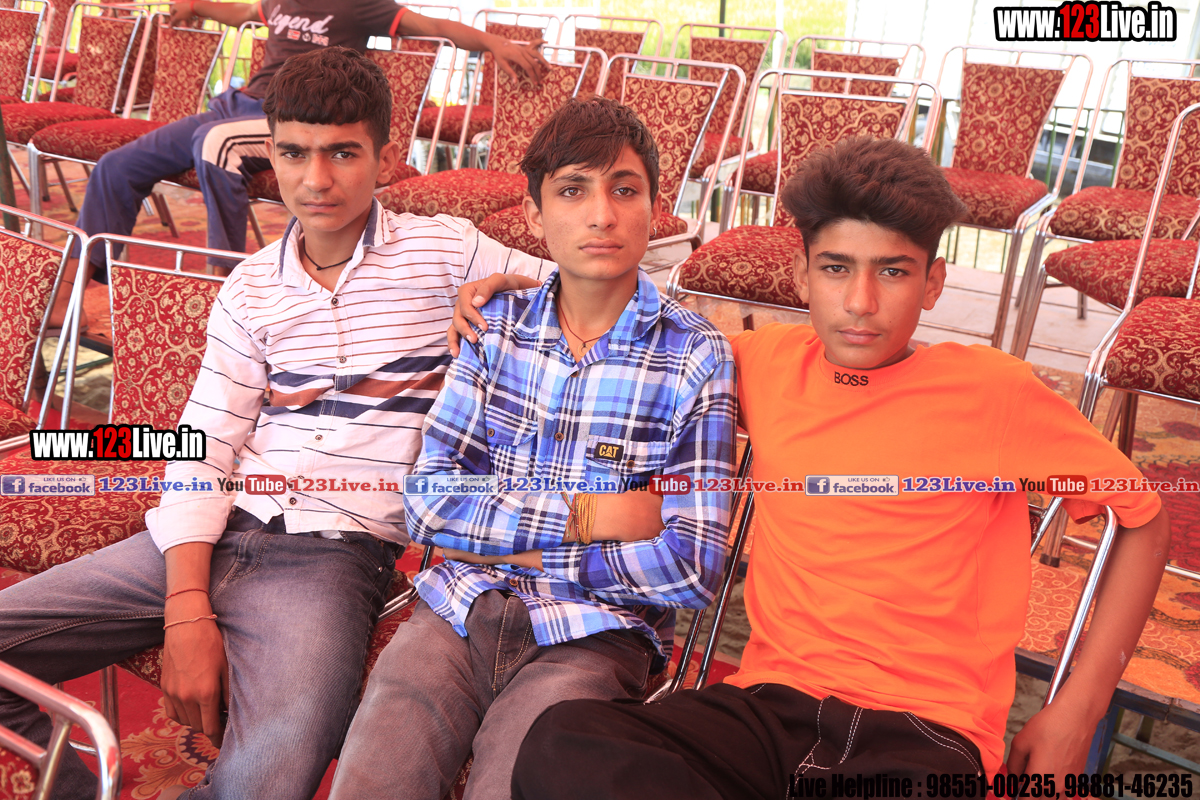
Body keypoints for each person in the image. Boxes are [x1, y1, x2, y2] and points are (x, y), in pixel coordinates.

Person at [500, 135, 1173, 796]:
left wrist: (1079, 708)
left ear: (934, 282)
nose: (860, 303)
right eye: (836, 268)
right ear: (801, 274)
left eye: (893, 271)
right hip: (768, 709)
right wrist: (513, 294)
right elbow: (620, 343)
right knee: (564, 741)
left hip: (925, 734)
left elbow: (1143, 519)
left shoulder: (994, 393)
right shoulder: (763, 364)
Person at [0, 46, 550, 800]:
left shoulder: (445, 249)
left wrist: (506, 285)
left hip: (333, 557)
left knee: (267, 780)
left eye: (342, 153)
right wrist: (185, 607)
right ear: (271, 155)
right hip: (212, 528)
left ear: (385, 158)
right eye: (293, 153)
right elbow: (205, 444)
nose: (315, 179)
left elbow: (605, 293)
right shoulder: (251, 288)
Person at [327, 96, 738, 800]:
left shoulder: (696, 356)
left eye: (625, 190)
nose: (601, 215)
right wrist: (590, 516)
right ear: (534, 216)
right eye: (573, 191)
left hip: (596, 636)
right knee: (371, 782)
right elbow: (428, 506)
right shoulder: (496, 328)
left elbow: (690, 567)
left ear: (655, 209)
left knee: (512, 785)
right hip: (460, 607)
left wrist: (502, 539)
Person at [52, 0, 547, 325]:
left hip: (292, 121)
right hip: (235, 105)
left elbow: (434, 27)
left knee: (213, 146)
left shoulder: (358, 4)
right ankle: (74, 289)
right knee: (117, 165)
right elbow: (242, 13)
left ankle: (223, 288)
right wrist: (197, 6)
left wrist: (495, 43)